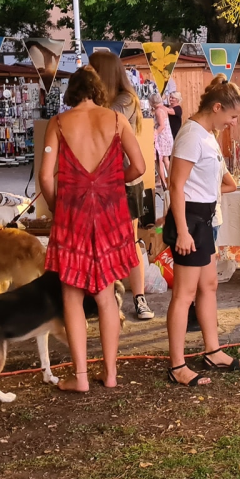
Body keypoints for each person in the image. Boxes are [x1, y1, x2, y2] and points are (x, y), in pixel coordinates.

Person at [39, 67, 144, 391]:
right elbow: (139, 167)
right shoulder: (117, 120)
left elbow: (45, 176)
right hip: (110, 215)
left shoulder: (59, 123)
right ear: (99, 91)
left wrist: (57, 207)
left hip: (73, 215)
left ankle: (81, 377)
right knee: (106, 296)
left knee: (71, 296)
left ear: (71, 92)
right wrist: (112, 183)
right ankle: (110, 374)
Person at [164, 75, 240, 386]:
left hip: (205, 219)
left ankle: (213, 351)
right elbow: (176, 185)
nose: (233, 123)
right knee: (184, 295)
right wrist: (183, 231)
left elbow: (213, 182)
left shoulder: (208, 134)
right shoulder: (191, 136)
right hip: (190, 221)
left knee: (209, 285)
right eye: (233, 116)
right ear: (217, 107)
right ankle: (177, 365)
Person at [90, 51, 155, 321]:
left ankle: (139, 298)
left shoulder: (125, 100)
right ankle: (108, 298)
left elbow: (105, 121)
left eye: (91, 71)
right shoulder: (101, 102)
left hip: (125, 180)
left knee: (129, 241)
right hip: (100, 181)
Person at [150, 90, 173, 188]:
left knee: (160, 161)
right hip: (167, 136)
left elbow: (161, 125)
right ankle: (170, 180)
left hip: (162, 138)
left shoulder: (158, 111)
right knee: (166, 160)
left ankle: (162, 182)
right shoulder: (164, 109)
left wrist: (154, 133)